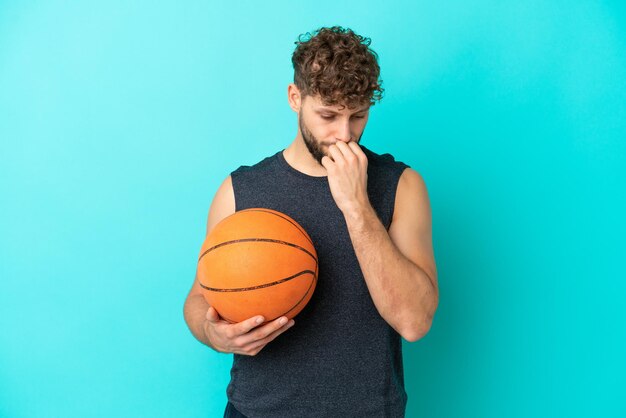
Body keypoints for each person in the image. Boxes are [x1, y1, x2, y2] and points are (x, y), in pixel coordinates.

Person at [183, 25, 439, 418]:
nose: (344, 135)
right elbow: (200, 299)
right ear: (295, 98)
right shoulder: (240, 189)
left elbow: (414, 321)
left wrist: (356, 206)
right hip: (256, 411)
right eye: (328, 115)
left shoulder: (400, 185)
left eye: (358, 116)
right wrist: (213, 333)